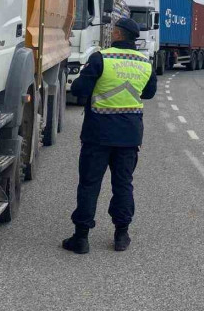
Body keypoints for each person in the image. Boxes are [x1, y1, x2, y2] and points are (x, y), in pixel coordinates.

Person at [62, 18, 157, 254]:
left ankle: (81, 238)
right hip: (129, 136)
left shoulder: (101, 58)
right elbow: (149, 93)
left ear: (117, 33)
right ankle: (121, 235)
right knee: (123, 184)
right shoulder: (145, 62)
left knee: (89, 184)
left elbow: (79, 90)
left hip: (98, 135)